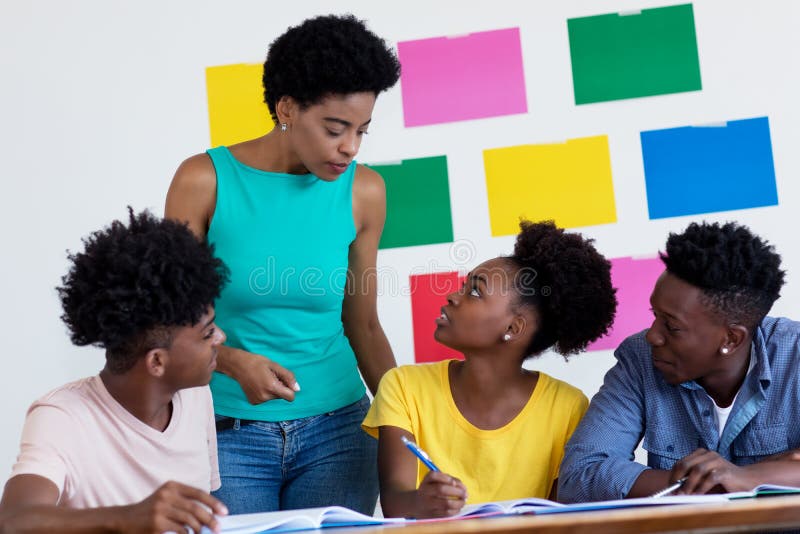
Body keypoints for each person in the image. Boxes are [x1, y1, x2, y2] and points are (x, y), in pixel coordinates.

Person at [165, 14, 401, 514]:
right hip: (225, 430)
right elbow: (168, 317)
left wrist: (411, 417)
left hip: (340, 430)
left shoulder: (365, 192)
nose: (350, 147)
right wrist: (229, 360)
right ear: (287, 108)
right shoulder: (203, 181)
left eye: (362, 129)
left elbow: (363, 325)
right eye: (335, 129)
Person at [362, 221, 618, 518]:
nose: (452, 297)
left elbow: (558, 516)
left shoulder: (567, 407)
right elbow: (394, 503)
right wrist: (423, 502)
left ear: (513, 327)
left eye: (474, 291)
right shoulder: (403, 386)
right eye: (464, 285)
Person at [0, 209, 229, 533]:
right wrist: (126, 518)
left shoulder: (196, 396)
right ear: (157, 362)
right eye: (207, 333)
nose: (221, 337)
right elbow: (13, 521)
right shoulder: (62, 417)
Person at [558, 221, 800, 503]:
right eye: (654, 314)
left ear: (731, 339)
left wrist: (746, 478)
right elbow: (579, 477)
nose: (652, 336)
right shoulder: (639, 360)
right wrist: (702, 481)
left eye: (672, 327)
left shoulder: (794, 354)